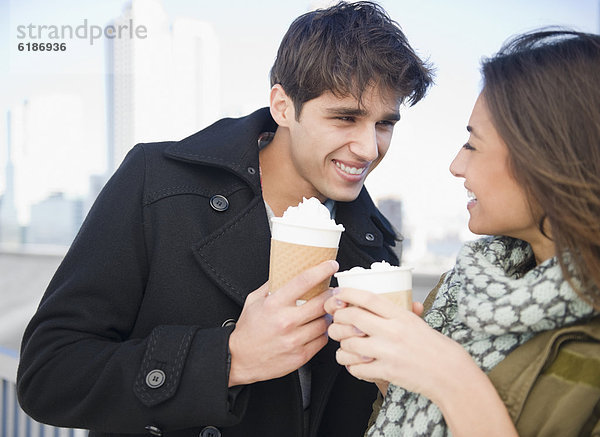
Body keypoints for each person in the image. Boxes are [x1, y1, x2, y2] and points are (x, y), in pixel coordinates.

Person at [16, 2, 433, 437]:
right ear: (283, 106)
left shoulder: (374, 245)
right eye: (345, 117)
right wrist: (228, 359)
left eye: (385, 124)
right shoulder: (157, 182)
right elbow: (48, 374)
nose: (369, 148)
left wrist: (398, 380)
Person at [326, 29, 600, 436]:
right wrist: (395, 372)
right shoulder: (464, 286)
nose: (456, 165)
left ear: (547, 156)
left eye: (473, 144)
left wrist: (449, 376)